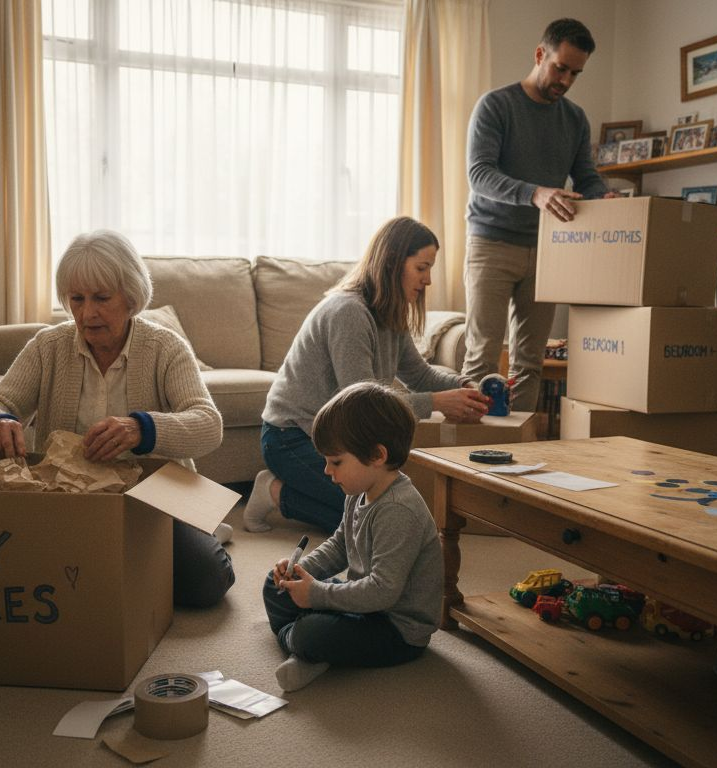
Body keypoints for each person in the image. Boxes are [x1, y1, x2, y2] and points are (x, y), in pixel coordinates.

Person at [0, 230, 235, 609]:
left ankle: (204, 533)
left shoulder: (165, 347)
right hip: (66, 495)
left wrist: (141, 428)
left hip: (154, 492)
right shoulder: (48, 346)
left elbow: (208, 424)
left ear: (131, 297)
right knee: (27, 576)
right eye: (76, 299)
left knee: (206, 582)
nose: (87, 313)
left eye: (101, 298)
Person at [246, 216, 489, 535]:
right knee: (372, 523)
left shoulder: (389, 313)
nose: (428, 280)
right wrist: (437, 403)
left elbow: (420, 375)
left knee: (389, 513)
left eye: (430, 268)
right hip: (291, 437)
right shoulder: (348, 312)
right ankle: (273, 492)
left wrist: (464, 387)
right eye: (421, 267)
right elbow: (361, 407)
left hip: (339, 439)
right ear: (391, 263)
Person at [461, 18, 617, 413]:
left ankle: (518, 451)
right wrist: (536, 193)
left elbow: (586, 178)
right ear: (539, 54)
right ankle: (466, 456)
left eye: (575, 73)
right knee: (483, 356)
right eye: (560, 67)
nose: (565, 80)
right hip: (491, 242)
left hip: (547, 248)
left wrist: (606, 198)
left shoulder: (576, 119)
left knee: (530, 362)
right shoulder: (496, 106)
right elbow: (479, 175)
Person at [261, 381, 443, 692]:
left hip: (396, 628)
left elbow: (383, 591)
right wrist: (303, 571)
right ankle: (309, 652)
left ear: (376, 455)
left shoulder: (400, 510)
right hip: (363, 604)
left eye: (336, 462)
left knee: (312, 632)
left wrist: (315, 594)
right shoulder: (357, 491)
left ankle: (305, 646)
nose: (327, 472)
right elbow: (340, 545)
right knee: (274, 585)